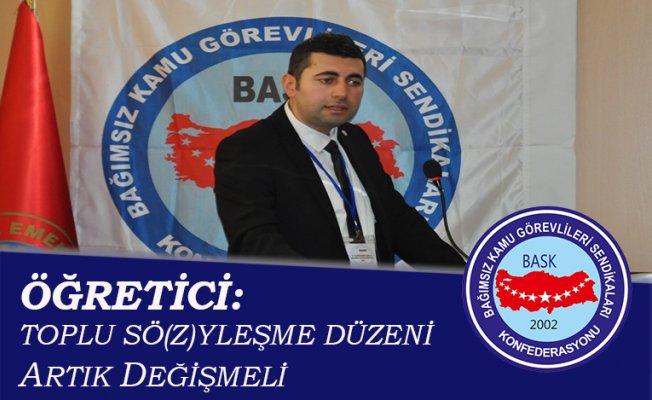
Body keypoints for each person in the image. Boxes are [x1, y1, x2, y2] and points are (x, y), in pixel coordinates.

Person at [214, 32, 463, 267]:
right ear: (290, 85)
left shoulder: (355, 139)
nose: (342, 92)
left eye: (354, 81)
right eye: (327, 80)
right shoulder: (248, 147)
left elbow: (397, 220)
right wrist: (332, 289)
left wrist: (464, 279)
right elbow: (256, 242)